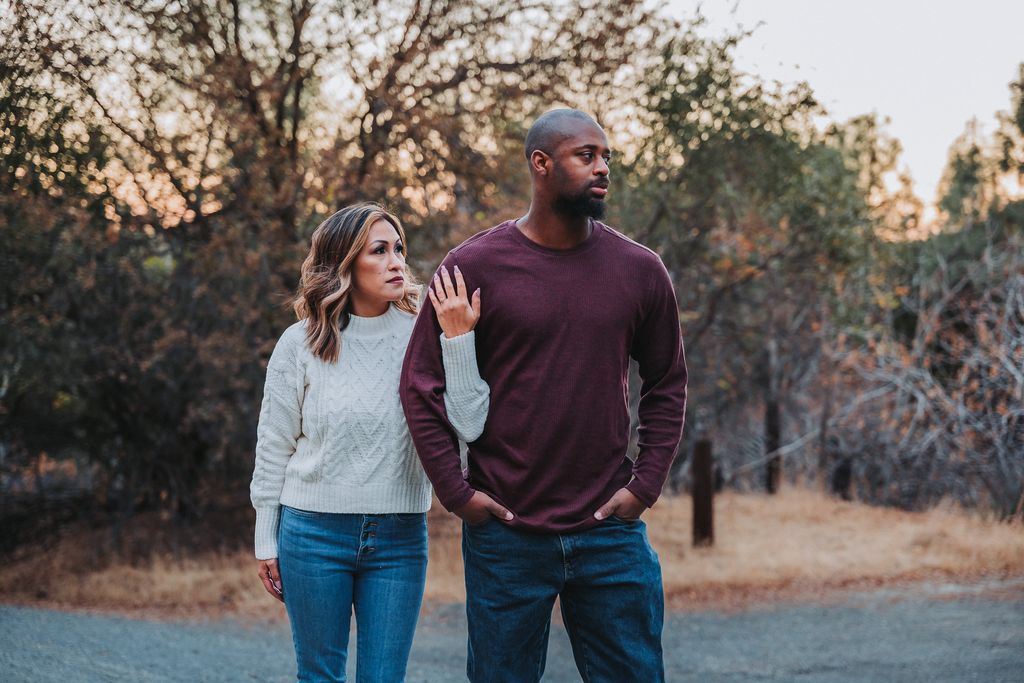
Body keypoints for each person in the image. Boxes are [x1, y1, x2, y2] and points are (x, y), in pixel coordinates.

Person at [400, 109, 688, 683]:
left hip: (609, 531)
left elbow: (667, 382)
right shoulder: (473, 266)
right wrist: (457, 494)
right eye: (587, 156)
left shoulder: (640, 270)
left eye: (606, 156)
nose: (603, 168)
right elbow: (419, 385)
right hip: (506, 535)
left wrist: (645, 484)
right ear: (541, 163)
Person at [250, 202, 489, 683]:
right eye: (379, 251)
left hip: (399, 538)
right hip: (312, 534)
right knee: (320, 677)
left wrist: (459, 342)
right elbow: (274, 446)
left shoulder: (427, 334)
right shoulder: (301, 343)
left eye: (398, 248)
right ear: (344, 264)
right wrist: (265, 538)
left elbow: (471, 426)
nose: (397, 261)